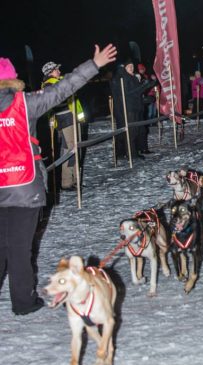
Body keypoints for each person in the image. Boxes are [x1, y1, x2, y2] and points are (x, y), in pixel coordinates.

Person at [0, 44, 117, 315]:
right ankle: (23, 302)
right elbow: (63, 88)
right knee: (19, 248)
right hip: (23, 187)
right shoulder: (25, 103)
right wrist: (94, 64)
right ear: (12, 80)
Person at [41, 62, 85, 191]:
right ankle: (67, 182)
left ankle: (74, 180)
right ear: (50, 72)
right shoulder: (49, 85)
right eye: (56, 70)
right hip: (64, 119)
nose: (59, 71)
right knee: (71, 149)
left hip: (71, 117)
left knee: (74, 149)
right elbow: (56, 103)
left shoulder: (60, 81)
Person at [110, 60, 155, 160]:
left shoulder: (131, 78)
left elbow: (137, 94)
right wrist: (145, 85)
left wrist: (146, 98)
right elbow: (130, 94)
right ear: (124, 68)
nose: (132, 68)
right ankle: (130, 153)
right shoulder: (122, 79)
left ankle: (130, 152)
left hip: (134, 108)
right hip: (127, 109)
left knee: (136, 131)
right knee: (130, 132)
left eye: (132, 66)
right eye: (129, 66)